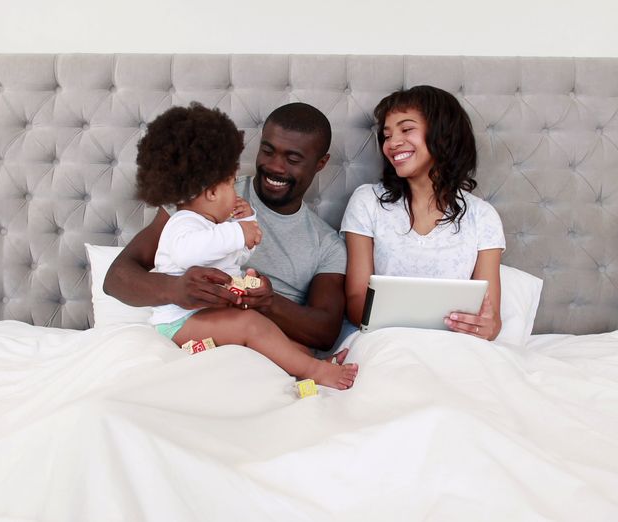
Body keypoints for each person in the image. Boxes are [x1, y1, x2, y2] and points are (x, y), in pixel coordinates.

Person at [132, 103, 358, 389]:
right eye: (267, 151)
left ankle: (311, 369)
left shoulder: (326, 244)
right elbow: (121, 276)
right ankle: (310, 370)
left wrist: (267, 300)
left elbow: (325, 332)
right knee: (252, 326)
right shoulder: (202, 198)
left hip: (249, 333)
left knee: (291, 349)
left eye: (293, 158)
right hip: (190, 319)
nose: (275, 166)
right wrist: (175, 288)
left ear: (320, 163)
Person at [341, 85, 506, 341]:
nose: (392, 143)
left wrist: (485, 326)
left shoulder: (482, 216)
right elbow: (356, 304)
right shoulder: (368, 202)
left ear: (443, 134)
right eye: (387, 135)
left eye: (406, 130)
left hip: (454, 346)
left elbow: (491, 321)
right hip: (384, 341)